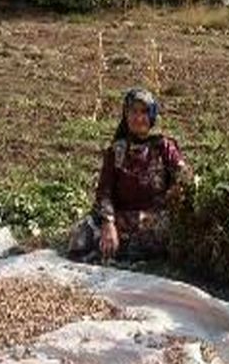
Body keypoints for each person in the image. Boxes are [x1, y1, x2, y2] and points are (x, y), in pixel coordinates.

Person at [67, 87, 192, 263]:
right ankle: (123, 249)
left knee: (167, 232)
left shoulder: (163, 146)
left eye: (144, 112)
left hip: (155, 219)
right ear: (126, 115)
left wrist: (176, 192)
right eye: (133, 112)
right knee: (81, 234)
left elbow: (184, 176)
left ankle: (124, 251)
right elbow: (104, 192)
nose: (138, 118)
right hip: (123, 218)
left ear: (152, 116)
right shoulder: (116, 151)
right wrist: (108, 224)